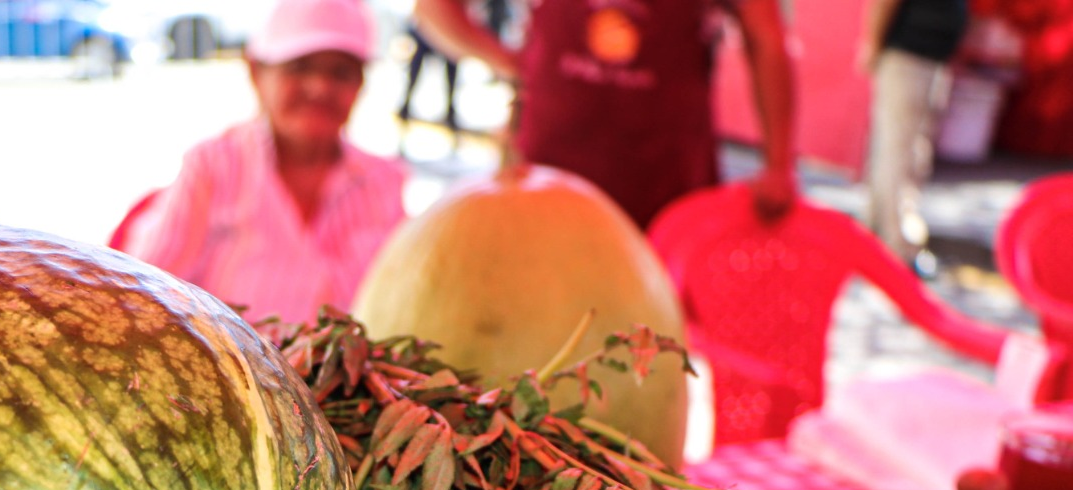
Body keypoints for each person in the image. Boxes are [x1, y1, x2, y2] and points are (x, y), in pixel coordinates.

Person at [124, 0, 407, 330]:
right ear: (257, 72)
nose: (320, 88)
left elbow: (400, 308)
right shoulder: (213, 166)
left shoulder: (384, 181)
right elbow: (142, 295)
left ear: (360, 83)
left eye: (341, 72)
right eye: (300, 67)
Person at [412, 0, 799, 230]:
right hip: (544, 178)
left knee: (648, 347)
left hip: (666, 190)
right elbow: (432, 9)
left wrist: (779, 166)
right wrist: (508, 63)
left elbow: (766, 38)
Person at [858, 0, 970, 278]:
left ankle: (874, 237)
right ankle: (897, 245)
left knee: (906, 148)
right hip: (908, 54)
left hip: (930, 57)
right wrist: (872, 44)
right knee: (899, 151)